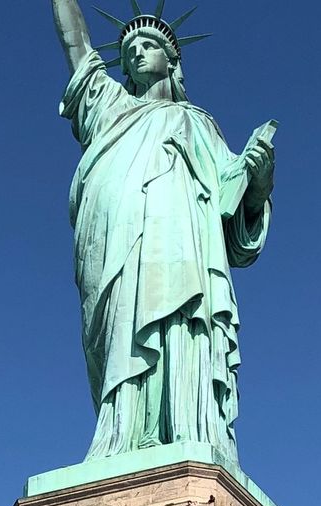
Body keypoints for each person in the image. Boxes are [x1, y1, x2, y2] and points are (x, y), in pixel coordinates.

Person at [51, 0, 276, 464]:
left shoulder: (198, 124)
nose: (137, 52)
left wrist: (258, 183)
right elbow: (76, 43)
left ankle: (186, 428)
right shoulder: (109, 107)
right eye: (129, 49)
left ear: (172, 61)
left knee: (180, 323)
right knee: (119, 332)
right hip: (111, 245)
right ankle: (122, 434)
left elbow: (234, 216)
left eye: (148, 45)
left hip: (180, 249)